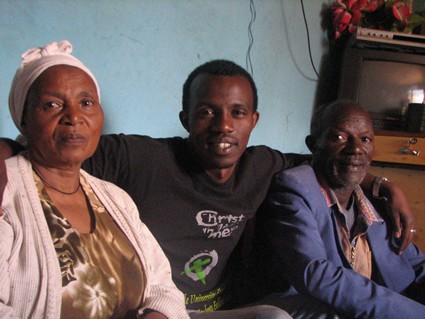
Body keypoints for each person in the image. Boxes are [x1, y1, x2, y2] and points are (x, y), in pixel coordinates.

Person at [0, 59, 414, 318]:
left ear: (254, 119)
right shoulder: (141, 159)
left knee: (310, 312)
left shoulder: (263, 165)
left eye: (237, 113)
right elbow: (58, 145)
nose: (223, 126)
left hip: (224, 308)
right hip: (160, 307)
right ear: (184, 118)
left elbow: (333, 156)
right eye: (206, 113)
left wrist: (381, 184)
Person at [0, 40, 188, 319]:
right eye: (51, 105)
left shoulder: (114, 199)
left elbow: (163, 287)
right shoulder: (6, 193)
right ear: (24, 120)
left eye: (86, 103)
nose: (74, 117)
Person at [253, 100, 425, 319]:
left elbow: (416, 265)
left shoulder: (376, 201)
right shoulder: (295, 189)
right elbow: (315, 273)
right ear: (313, 144)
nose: (356, 149)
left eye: (365, 139)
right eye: (339, 137)